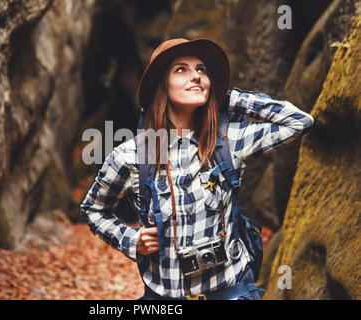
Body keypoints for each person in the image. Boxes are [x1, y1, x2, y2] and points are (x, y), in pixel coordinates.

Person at [80, 38, 314, 300]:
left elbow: (299, 121)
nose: (196, 76)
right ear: (162, 85)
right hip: (164, 296)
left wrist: (229, 97)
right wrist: (131, 240)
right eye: (181, 69)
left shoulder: (231, 141)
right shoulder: (132, 156)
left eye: (201, 70)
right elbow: (93, 208)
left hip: (229, 290)